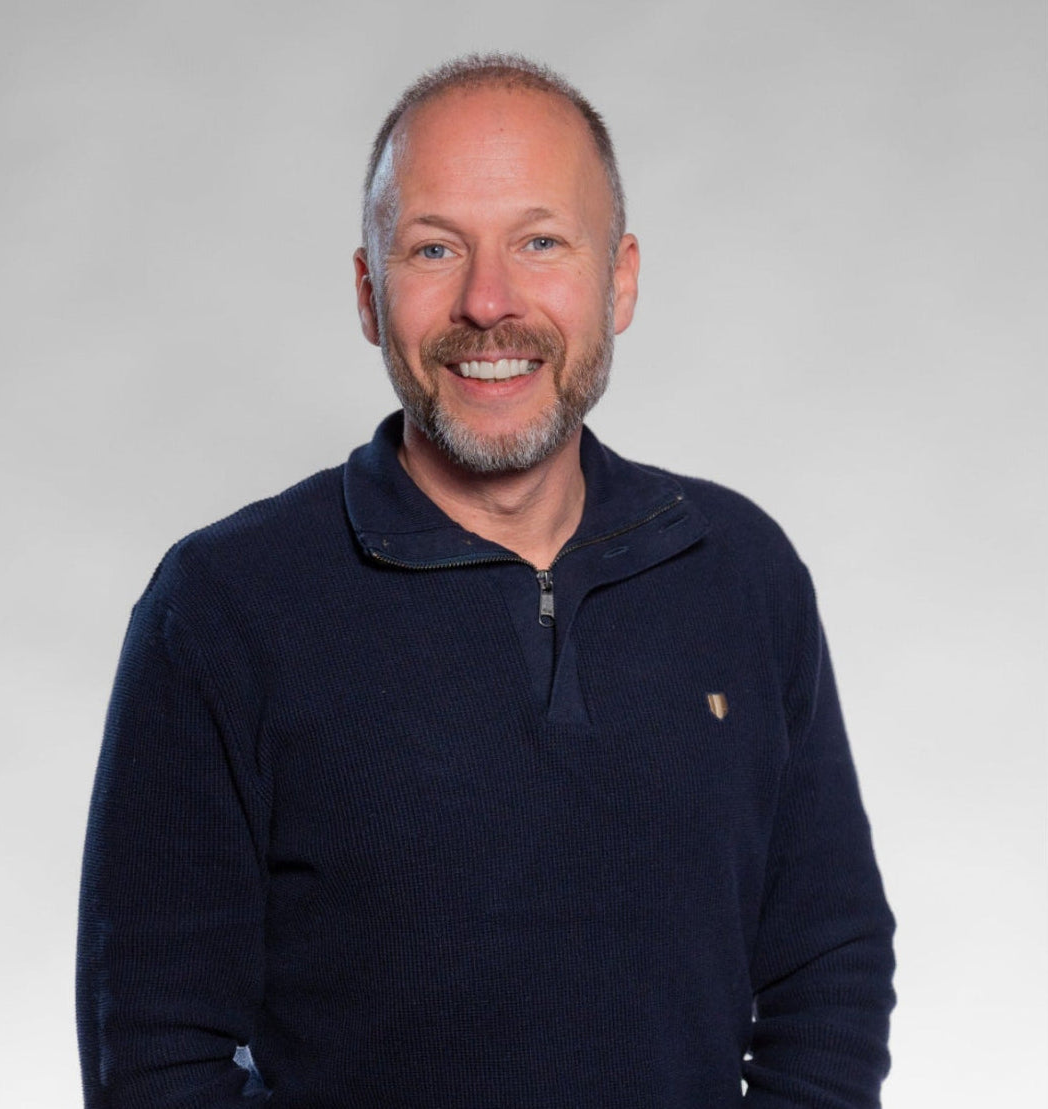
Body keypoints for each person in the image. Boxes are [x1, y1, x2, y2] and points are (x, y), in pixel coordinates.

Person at [77, 53, 895, 1109]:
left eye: (540, 241)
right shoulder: (221, 607)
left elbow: (828, 963)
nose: (488, 301)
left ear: (620, 280)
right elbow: (154, 1052)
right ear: (370, 295)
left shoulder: (740, 569)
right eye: (434, 248)